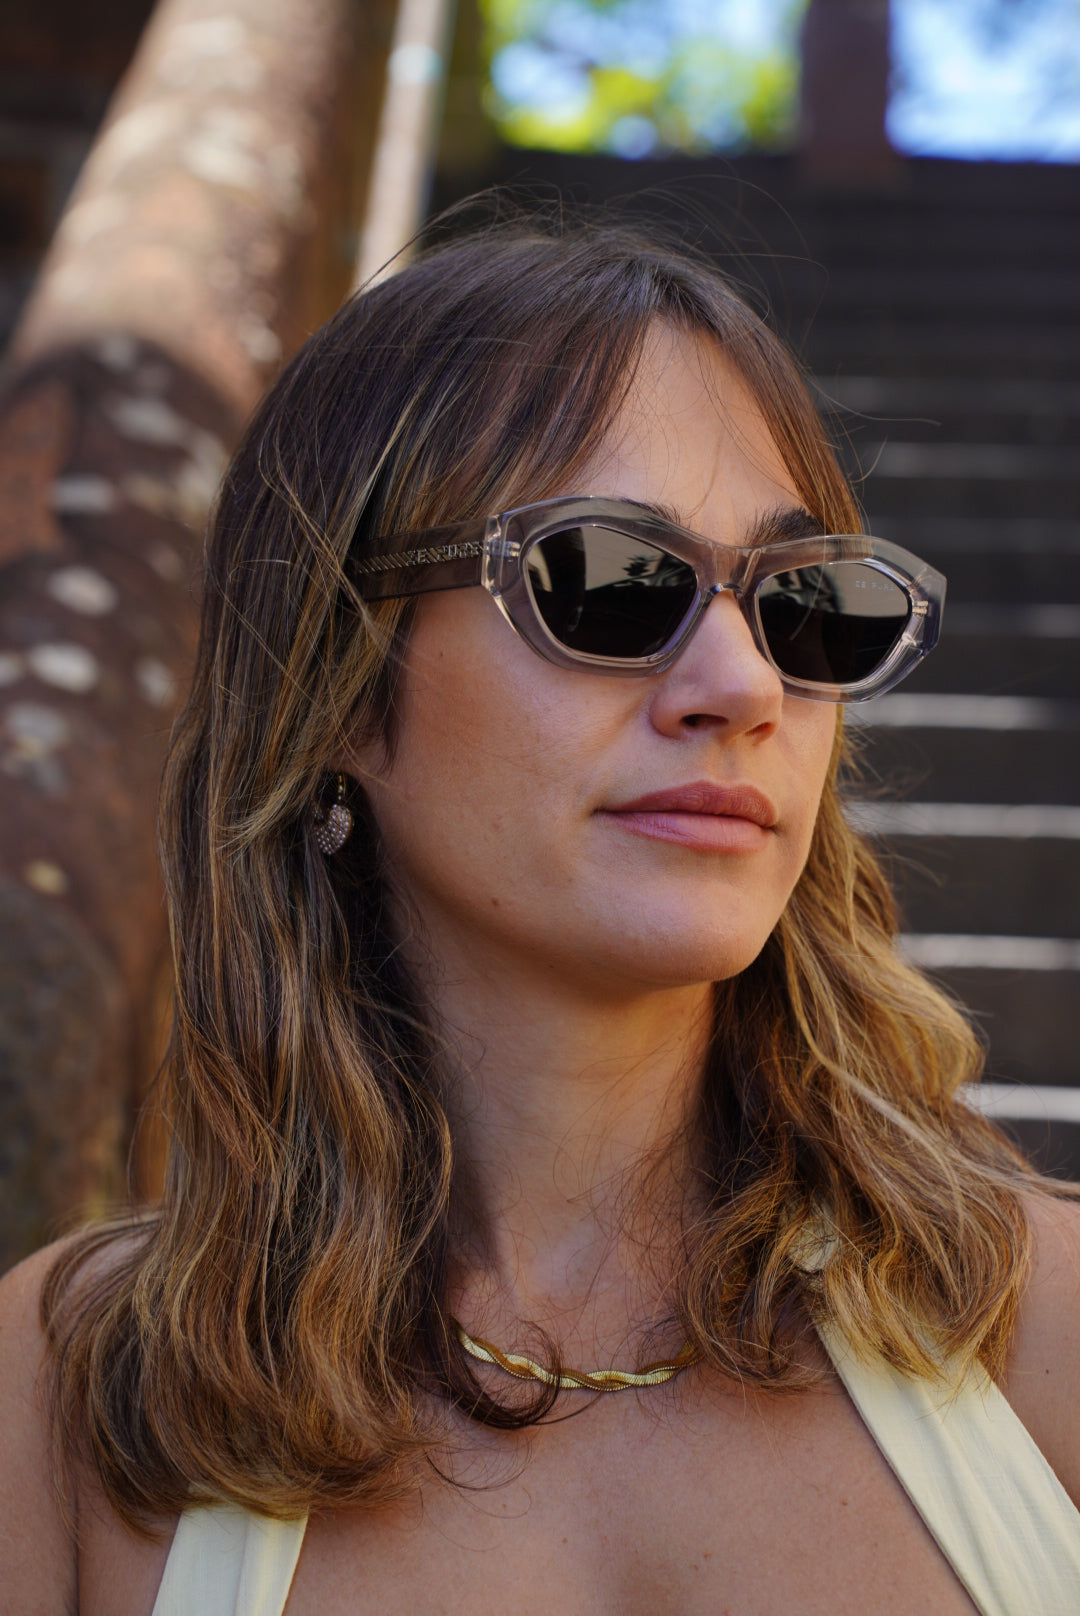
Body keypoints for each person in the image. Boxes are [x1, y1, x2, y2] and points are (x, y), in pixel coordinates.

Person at [2, 212, 1079, 1616]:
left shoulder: (1046, 1333)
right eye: (609, 580)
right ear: (332, 679)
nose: (742, 685)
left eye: (805, 604)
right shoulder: (63, 1408)